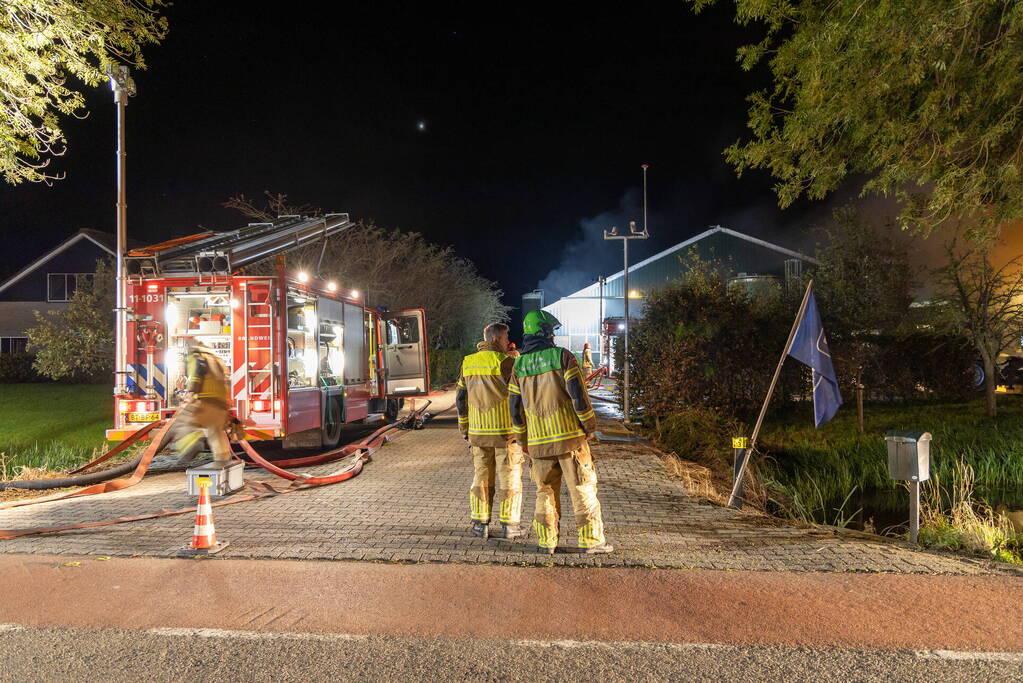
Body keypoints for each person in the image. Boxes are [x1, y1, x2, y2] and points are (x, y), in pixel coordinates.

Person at [509, 310, 613, 555]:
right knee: (582, 488)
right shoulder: (562, 356)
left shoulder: (519, 365)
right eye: (551, 330)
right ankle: (591, 541)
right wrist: (589, 427)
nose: (553, 334)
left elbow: (514, 408)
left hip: (538, 443)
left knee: (544, 491)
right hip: (569, 438)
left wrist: (522, 440)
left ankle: (547, 542)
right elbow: (578, 395)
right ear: (543, 331)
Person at [455, 322, 526, 539]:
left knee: (481, 477)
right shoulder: (506, 362)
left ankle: (480, 525)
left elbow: (460, 399)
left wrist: (465, 428)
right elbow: (519, 398)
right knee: (510, 477)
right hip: (505, 435)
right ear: (496, 339)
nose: (508, 342)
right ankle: (509, 527)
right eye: (506, 338)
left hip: (478, 434)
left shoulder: (468, 362)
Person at [168, 341, 232, 464]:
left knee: (181, 423)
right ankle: (223, 464)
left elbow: (196, 376)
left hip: (204, 402)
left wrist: (190, 393)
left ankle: (192, 443)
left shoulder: (197, 356)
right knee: (216, 434)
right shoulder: (218, 360)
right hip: (220, 407)